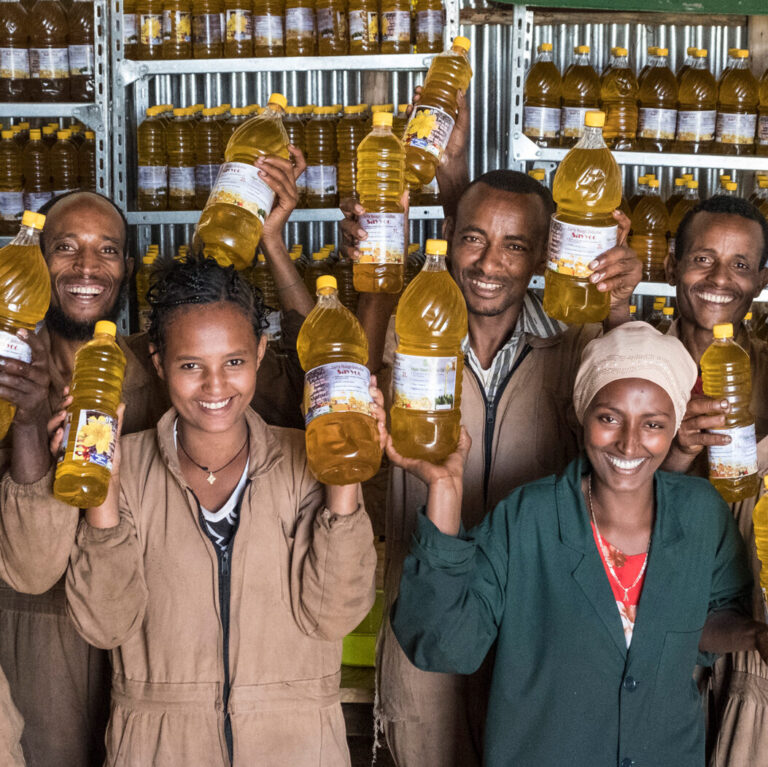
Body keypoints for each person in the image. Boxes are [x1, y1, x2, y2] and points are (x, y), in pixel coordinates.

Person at [342, 104, 642, 762]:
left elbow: (633, 425)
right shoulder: (404, 331)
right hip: (421, 611)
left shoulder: (576, 347)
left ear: (545, 253)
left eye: (515, 245)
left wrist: (617, 301)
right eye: (474, 237)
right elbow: (345, 400)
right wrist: (370, 273)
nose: (489, 262)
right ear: (448, 233)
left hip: (538, 629)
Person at [0, 149, 312, 767]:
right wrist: (30, 423)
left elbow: (314, 375)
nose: (88, 266)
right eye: (65, 247)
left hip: (157, 636)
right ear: (34, 261)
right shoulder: (8, 369)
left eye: (108, 250)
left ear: (127, 267)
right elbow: (30, 562)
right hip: (42, 630)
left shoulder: (165, 361)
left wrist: (272, 241)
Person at [389, 321, 768, 767]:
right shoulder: (528, 516)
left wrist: (755, 635)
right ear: (581, 414)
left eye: (653, 424)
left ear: (672, 429)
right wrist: (445, 489)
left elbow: (702, 619)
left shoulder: (701, 513)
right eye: (609, 418)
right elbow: (444, 646)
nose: (630, 443)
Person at [56, 254, 379, 766]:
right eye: (191, 366)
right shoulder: (128, 464)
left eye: (234, 361)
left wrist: (345, 466)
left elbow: (334, 615)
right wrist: (105, 490)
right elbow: (105, 625)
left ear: (260, 352)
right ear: (159, 363)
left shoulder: (305, 460)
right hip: (160, 748)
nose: (215, 386)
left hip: (295, 746)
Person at [659, 194, 768, 766]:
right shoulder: (635, 363)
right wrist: (677, 452)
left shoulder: (767, 371)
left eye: (741, 265)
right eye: (703, 259)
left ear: (761, 279)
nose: (720, 279)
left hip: (746, 640)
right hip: (652, 632)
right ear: (673, 265)